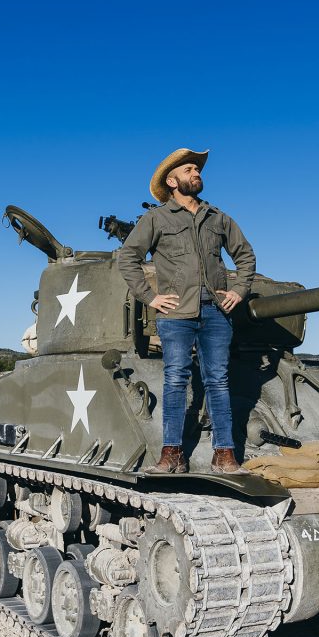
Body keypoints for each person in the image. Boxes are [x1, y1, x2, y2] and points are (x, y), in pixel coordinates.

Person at [117, 148, 256, 474]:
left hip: (216, 313)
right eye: (189, 169)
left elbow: (245, 256)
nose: (196, 173)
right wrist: (150, 297)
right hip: (176, 316)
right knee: (176, 381)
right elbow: (128, 257)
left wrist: (239, 290)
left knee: (219, 383)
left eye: (197, 169)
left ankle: (224, 454)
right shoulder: (157, 219)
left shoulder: (218, 218)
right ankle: (172, 455)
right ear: (172, 179)